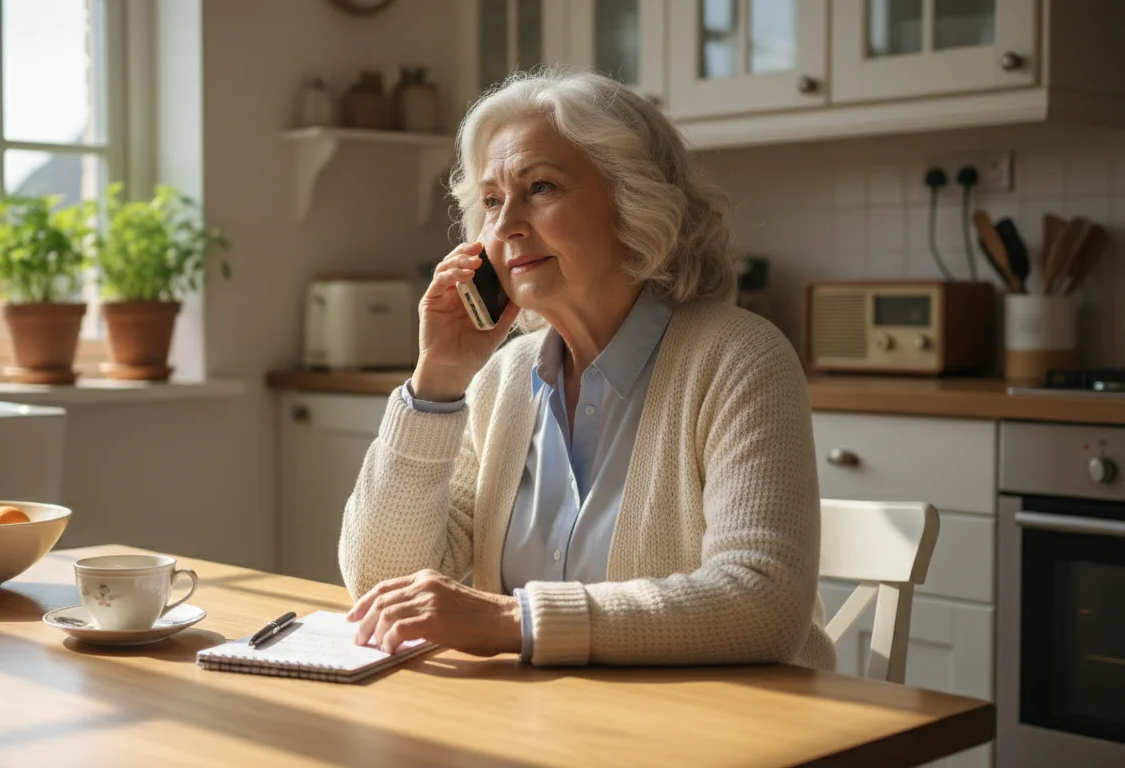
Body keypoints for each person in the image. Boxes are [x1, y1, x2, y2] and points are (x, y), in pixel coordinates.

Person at [339, 68, 834, 669]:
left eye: (540, 188)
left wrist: (511, 619)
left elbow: (764, 601)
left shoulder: (739, 359)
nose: (505, 225)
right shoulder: (502, 380)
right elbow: (379, 585)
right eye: (492, 200)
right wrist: (436, 382)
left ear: (634, 201)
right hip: (548, 729)